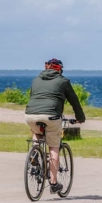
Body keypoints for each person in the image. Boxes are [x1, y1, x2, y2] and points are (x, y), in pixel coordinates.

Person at [25, 58, 85, 194]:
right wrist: (80, 118)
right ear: (60, 69)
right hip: (51, 116)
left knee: (37, 131)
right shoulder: (63, 81)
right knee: (54, 146)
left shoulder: (35, 80)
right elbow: (74, 101)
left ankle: (35, 150)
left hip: (30, 114)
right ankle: (53, 182)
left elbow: (33, 97)